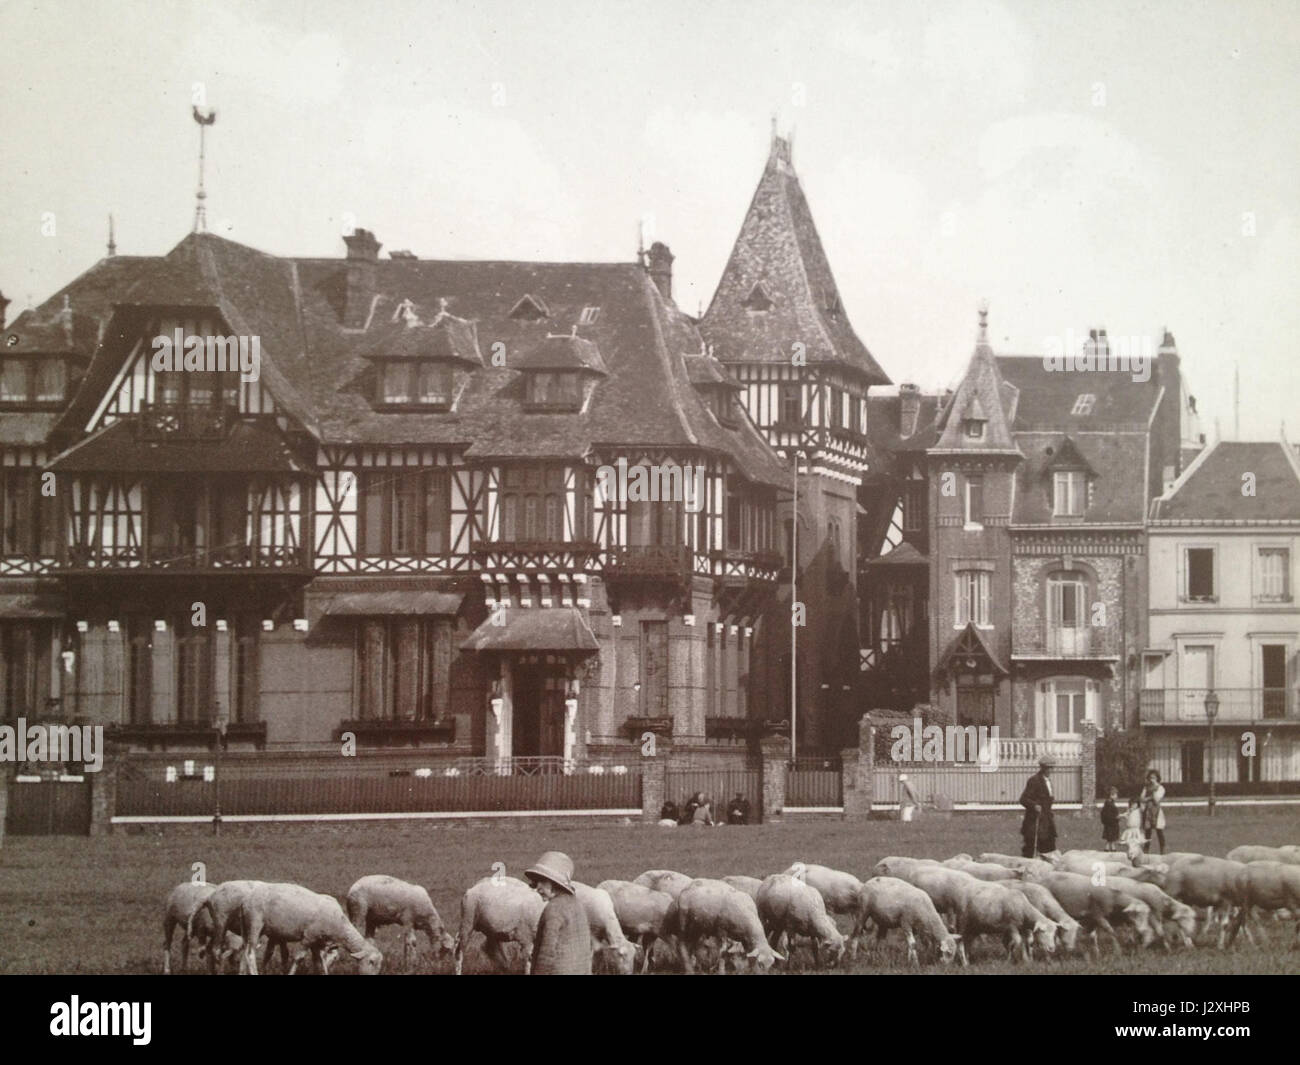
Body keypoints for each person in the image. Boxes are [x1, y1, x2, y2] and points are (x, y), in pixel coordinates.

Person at [525, 851, 592, 975]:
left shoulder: (553, 909)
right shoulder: (578, 904)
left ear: (555, 883)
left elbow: (546, 954)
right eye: (536, 882)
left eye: (542, 882)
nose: (538, 888)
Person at [1018, 755, 1057, 857]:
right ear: (1043, 768)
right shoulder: (1034, 780)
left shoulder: (1048, 781)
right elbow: (1023, 799)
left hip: (1047, 822)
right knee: (1031, 851)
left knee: (1049, 849)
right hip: (1035, 822)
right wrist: (1034, 806)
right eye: (1049, 767)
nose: (1051, 770)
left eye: (1052, 767)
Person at [1141, 769, 1167, 855]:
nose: (1152, 780)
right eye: (1150, 778)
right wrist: (1147, 795)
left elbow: (1156, 800)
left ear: (1157, 779)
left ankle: (1163, 850)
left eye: (1154, 778)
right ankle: (1146, 850)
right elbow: (1142, 799)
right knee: (1147, 831)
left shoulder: (1160, 788)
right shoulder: (1146, 787)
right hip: (1148, 811)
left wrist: (1153, 792)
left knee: (1159, 830)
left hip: (1157, 811)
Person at [1100, 786, 1121, 851]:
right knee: (1111, 836)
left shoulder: (1109, 803)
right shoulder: (1109, 804)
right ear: (1111, 795)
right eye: (1115, 794)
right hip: (1111, 823)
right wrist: (1116, 817)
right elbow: (1109, 814)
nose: (1116, 796)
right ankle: (1111, 847)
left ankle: (1109, 847)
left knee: (1110, 837)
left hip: (1110, 823)